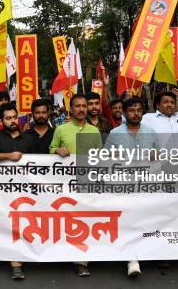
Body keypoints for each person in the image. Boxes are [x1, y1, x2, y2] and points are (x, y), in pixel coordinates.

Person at [103, 97, 158, 277]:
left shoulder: (151, 132)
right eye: (132, 110)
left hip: (146, 185)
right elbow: (104, 158)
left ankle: (143, 254)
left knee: (143, 220)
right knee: (127, 221)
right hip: (123, 185)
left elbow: (161, 157)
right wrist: (113, 155)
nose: (136, 113)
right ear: (125, 113)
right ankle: (132, 259)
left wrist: (156, 155)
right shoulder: (115, 133)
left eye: (139, 110)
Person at [0, 103, 34, 279]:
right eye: (8, 118)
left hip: (23, 192)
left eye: (14, 117)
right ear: (1, 120)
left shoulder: (27, 139)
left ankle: (16, 263)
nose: (12, 121)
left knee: (19, 225)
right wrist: (8, 156)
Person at [49, 94, 101, 277]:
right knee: (66, 220)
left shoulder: (94, 132)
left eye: (84, 106)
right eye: (77, 106)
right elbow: (50, 149)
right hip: (64, 184)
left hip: (87, 183)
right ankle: (62, 253)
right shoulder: (61, 129)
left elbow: (99, 158)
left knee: (84, 220)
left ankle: (81, 261)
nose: (81, 109)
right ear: (70, 109)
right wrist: (57, 150)